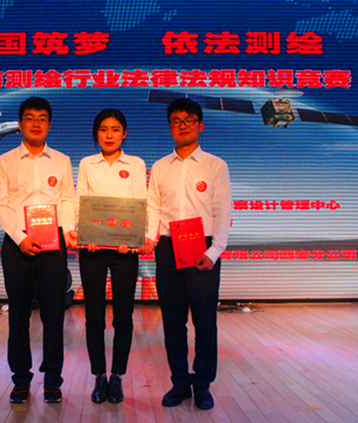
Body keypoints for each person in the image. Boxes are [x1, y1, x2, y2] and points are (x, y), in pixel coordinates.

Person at [0, 96, 77, 404]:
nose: (36, 123)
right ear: (20, 124)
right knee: (19, 315)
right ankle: (21, 379)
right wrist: (20, 237)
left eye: (42, 118)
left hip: (53, 245)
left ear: (49, 125)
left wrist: (68, 231)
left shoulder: (62, 161)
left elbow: (67, 199)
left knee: (54, 315)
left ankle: (52, 379)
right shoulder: (4, 162)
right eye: (30, 117)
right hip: (18, 246)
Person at [147, 98, 232, 410]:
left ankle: (203, 383)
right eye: (176, 121)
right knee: (173, 321)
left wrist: (215, 250)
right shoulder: (159, 167)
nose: (182, 125)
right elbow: (153, 208)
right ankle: (180, 382)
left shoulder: (215, 165)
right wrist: (149, 238)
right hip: (168, 247)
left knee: (205, 320)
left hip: (203, 248)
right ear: (170, 127)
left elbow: (223, 212)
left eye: (188, 120)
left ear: (200, 125)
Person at [71, 109, 154, 404]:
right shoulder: (86, 164)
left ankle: (117, 376)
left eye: (115, 129)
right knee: (94, 317)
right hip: (92, 251)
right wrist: (85, 235)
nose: (109, 135)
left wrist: (133, 239)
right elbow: (80, 203)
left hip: (124, 252)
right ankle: (99, 376)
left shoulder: (136, 164)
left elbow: (141, 204)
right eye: (104, 129)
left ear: (124, 133)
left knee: (123, 317)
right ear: (96, 134)